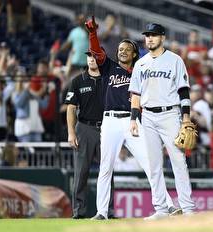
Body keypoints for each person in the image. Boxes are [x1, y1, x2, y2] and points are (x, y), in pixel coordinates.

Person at [85, 17, 177, 220]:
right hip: (110, 121)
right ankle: (102, 212)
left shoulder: (141, 70)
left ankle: (168, 206)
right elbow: (97, 52)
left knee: (151, 164)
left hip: (132, 121)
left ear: (134, 53)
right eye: (120, 49)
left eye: (127, 49)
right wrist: (93, 33)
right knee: (105, 167)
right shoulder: (109, 67)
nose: (122, 51)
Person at [129, 23, 196, 220]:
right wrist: (134, 119)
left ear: (162, 38)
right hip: (147, 116)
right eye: (147, 35)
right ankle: (160, 209)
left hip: (170, 115)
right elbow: (135, 95)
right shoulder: (140, 63)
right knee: (153, 165)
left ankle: (188, 208)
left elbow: (184, 91)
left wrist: (185, 118)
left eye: (154, 35)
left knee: (178, 161)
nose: (150, 38)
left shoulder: (175, 60)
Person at [65, 52, 115, 219]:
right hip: (85, 127)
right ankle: (78, 210)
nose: (92, 59)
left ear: (101, 58)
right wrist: (71, 132)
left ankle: (108, 210)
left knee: (107, 170)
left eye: (95, 56)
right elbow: (71, 108)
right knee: (81, 172)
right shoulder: (78, 80)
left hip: (107, 127)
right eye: (89, 56)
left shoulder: (109, 78)